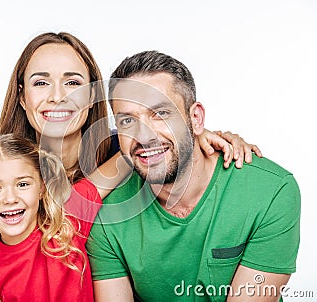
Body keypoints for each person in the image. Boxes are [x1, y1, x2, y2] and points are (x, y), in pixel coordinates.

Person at [0, 32, 261, 301]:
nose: (58, 96)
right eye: (41, 82)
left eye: (73, 82)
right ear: (22, 96)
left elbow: (163, 139)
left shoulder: (132, 152)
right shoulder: (4, 167)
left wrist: (196, 134)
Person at [86, 50, 301, 301]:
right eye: (127, 121)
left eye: (161, 114)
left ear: (196, 118)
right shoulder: (107, 216)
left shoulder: (270, 191)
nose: (144, 136)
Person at [0, 134, 130, 301]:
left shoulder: (67, 223)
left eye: (22, 184)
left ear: (41, 187)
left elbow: (121, 162)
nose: (10, 199)